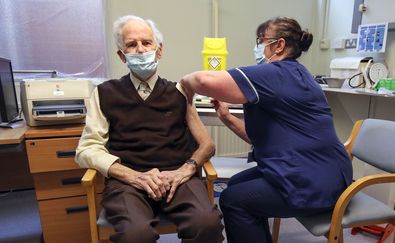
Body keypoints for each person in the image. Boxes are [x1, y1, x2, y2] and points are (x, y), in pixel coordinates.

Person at [180, 17, 353, 243]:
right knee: (237, 185)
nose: (258, 46)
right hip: (324, 170)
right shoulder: (297, 74)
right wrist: (226, 117)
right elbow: (260, 139)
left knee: (233, 200)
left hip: (315, 182)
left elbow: (203, 80)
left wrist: (184, 83)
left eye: (261, 40)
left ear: (279, 45)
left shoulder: (277, 74)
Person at [75, 15, 224, 243]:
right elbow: (86, 150)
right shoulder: (104, 93)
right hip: (128, 181)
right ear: (121, 55)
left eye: (147, 42)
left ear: (159, 50)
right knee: (136, 235)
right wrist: (134, 177)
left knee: (207, 223)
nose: (140, 49)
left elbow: (207, 144)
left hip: (177, 177)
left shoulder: (180, 92)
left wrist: (185, 170)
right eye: (131, 45)